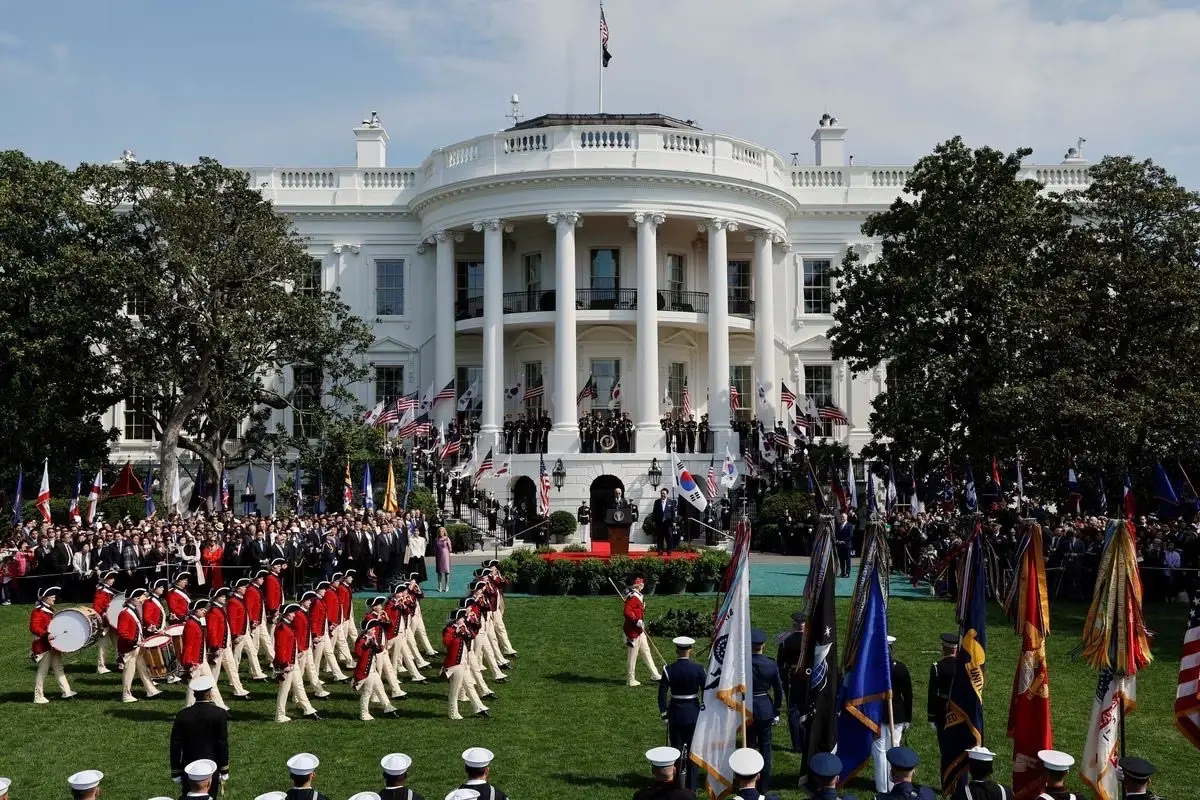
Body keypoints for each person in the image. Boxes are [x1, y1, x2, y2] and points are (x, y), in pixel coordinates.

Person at [658, 636, 705, 791]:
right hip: (693, 713)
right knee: (693, 751)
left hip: (675, 713)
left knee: (676, 750)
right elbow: (706, 692)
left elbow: (662, 693)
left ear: (677, 650)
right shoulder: (699, 669)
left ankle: (677, 782)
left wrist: (664, 713)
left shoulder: (669, 669)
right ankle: (691, 785)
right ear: (690, 650)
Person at [171, 675, 231, 795]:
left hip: (189, 767)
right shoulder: (219, 713)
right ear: (209, 694)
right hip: (212, 767)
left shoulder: (183, 715)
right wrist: (224, 769)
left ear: (194, 694)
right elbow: (222, 743)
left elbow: (175, 744)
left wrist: (176, 771)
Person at [748, 628, 783, 792]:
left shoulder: (743, 664)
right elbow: (778, 690)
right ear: (763, 645)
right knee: (766, 748)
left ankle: (748, 782)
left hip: (747, 709)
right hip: (764, 708)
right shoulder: (770, 664)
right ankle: (764, 785)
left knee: (749, 747)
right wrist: (776, 710)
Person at [273, 603, 320, 723]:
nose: (294, 615)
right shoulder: (282, 628)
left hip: (292, 662)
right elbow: (280, 648)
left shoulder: (285, 626)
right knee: (284, 690)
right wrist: (284, 665)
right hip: (287, 664)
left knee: (299, 685)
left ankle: (308, 709)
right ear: (287, 614)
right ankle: (279, 715)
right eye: (292, 613)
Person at [30, 584, 76, 704]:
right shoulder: (38, 611)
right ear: (45, 598)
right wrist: (46, 634)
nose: (55, 598)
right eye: (52, 596)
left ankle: (66, 691)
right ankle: (38, 696)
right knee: (43, 671)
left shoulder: (50, 610)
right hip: (43, 646)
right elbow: (34, 627)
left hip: (53, 645)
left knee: (59, 668)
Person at [116, 587, 161, 702]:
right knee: (129, 671)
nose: (145, 598)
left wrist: (147, 629)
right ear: (134, 598)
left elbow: (136, 627)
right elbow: (122, 632)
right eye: (143, 596)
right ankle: (126, 694)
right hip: (129, 647)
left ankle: (151, 690)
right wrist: (135, 641)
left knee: (143, 667)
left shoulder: (133, 610)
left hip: (136, 646)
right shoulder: (125, 613)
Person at [443, 609, 488, 720]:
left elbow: (472, 636)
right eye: (461, 617)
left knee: (469, 686)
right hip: (455, 665)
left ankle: (479, 707)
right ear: (456, 619)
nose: (463, 619)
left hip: (464, 663)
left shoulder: (464, 628)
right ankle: (453, 713)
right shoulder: (448, 630)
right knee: (455, 691)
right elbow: (447, 643)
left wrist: (466, 629)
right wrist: (456, 632)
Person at [353, 618, 399, 721]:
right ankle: (364, 714)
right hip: (366, 671)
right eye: (372, 629)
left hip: (372, 670)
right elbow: (358, 653)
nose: (374, 630)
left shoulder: (372, 638)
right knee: (367, 692)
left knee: (380, 687)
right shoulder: (361, 640)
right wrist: (366, 644)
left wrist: (375, 644)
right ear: (367, 630)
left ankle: (388, 707)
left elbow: (379, 650)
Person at [775, 608, 806, 753]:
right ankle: (806, 741)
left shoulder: (786, 640)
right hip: (808, 677)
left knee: (793, 709)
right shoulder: (811, 640)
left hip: (791, 678)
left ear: (794, 624)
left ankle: (797, 744)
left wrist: (782, 679)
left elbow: (780, 662)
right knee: (806, 709)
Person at [624, 577, 661, 687]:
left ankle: (655, 674)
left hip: (639, 630)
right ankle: (630, 679)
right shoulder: (632, 597)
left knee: (646, 651)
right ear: (638, 585)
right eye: (641, 584)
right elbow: (627, 612)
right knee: (632, 656)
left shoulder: (638, 595)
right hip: (632, 632)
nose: (643, 585)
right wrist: (636, 620)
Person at [927, 633, 957, 735]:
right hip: (960, 710)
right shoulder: (963, 667)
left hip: (942, 710)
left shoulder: (937, 667)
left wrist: (931, 716)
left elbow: (932, 693)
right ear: (955, 650)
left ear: (943, 649)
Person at [93, 569, 119, 673]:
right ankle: (101, 666)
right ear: (105, 580)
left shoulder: (108, 590)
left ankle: (121, 663)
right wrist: (104, 613)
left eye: (113, 578)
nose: (113, 580)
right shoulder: (101, 592)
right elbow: (97, 608)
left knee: (118, 643)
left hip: (112, 622)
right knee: (103, 645)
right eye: (110, 578)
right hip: (104, 623)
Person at [652, 489, 677, 555]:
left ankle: (669, 551)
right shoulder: (657, 502)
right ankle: (660, 551)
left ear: (667, 494)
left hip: (668, 523)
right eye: (662, 493)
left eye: (664, 493)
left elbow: (673, 513)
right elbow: (654, 512)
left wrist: (674, 522)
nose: (662, 494)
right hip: (659, 523)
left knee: (669, 537)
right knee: (660, 537)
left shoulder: (671, 502)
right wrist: (653, 521)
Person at [435, 528, 452, 593]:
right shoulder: (436, 539)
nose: (441, 532)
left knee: (447, 572)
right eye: (440, 531)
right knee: (439, 572)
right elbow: (435, 549)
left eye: (442, 531)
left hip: (446, 556)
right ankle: (439, 586)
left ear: (444, 532)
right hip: (439, 556)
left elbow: (450, 549)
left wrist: (447, 550)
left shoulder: (447, 538)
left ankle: (446, 586)